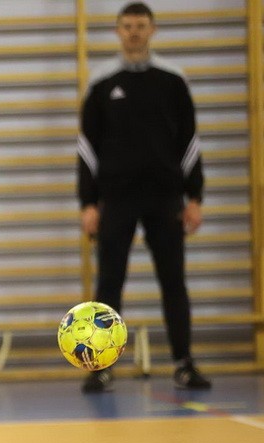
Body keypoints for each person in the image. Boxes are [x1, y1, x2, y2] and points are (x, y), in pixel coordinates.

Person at [76, 2, 211, 393]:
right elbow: (87, 148)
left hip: (164, 197)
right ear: (118, 32)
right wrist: (88, 203)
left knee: (173, 281)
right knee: (109, 284)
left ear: (152, 30)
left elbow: (189, 142)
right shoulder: (101, 83)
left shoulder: (173, 80)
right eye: (127, 26)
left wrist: (195, 197)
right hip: (116, 199)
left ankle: (184, 363)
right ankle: (101, 367)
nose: (134, 32)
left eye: (140, 25)